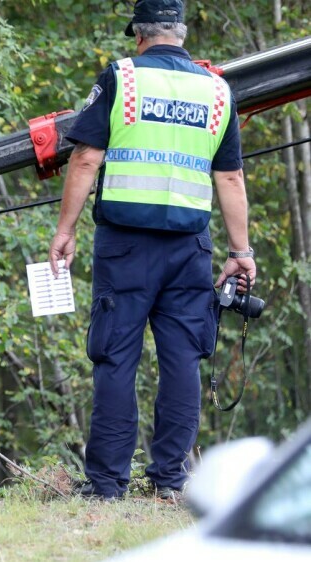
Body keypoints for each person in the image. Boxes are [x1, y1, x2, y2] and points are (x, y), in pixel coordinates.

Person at [48, 0, 257, 501]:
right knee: (183, 358)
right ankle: (170, 478)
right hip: (190, 246)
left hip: (125, 244)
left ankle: (106, 485)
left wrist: (66, 230)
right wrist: (241, 251)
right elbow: (229, 176)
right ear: (181, 34)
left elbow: (85, 158)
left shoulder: (123, 78)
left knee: (116, 357)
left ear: (138, 36)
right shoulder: (215, 90)